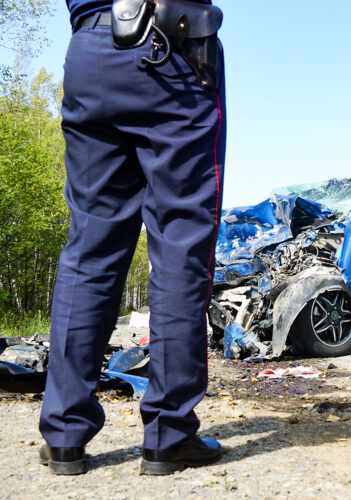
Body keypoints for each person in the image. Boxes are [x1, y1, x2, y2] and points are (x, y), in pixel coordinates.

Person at [38, 0, 226, 475]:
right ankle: (168, 435)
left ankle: (64, 435)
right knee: (181, 246)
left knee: (89, 250)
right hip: (174, 49)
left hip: (91, 50)